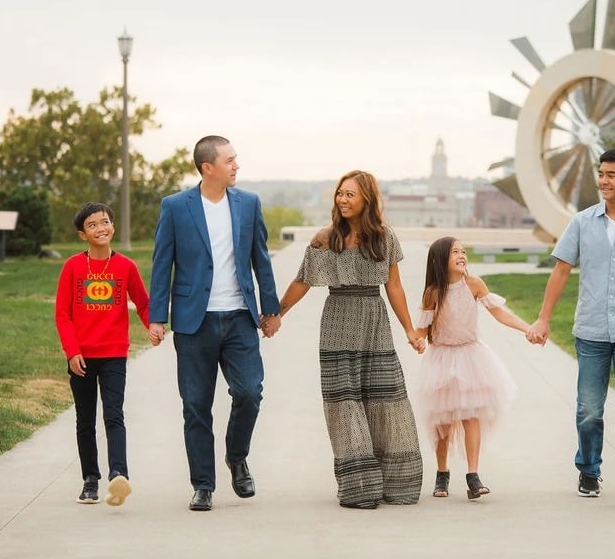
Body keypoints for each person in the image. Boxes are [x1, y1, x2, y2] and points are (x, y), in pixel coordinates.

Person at [526, 147, 615, 507]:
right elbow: (560, 270)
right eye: (600, 174)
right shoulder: (582, 222)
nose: (603, 181)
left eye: (611, 175)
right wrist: (543, 318)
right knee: (589, 408)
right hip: (590, 329)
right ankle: (589, 469)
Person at [148, 135, 281, 512]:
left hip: (239, 318)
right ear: (208, 167)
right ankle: (203, 484)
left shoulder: (249, 203)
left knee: (249, 393)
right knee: (195, 405)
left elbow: (261, 260)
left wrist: (270, 311)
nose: (237, 166)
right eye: (230, 160)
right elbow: (162, 264)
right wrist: (157, 317)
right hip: (194, 322)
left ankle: (236, 457)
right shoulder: (175, 207)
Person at [276, 170, 424, 509]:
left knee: (384, 400)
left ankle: (395, 482)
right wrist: (277, 313)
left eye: (350, 195)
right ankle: (359, 487)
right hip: (337, 322)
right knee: (345, 405)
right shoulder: (325, 238)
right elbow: (303, 280)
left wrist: (410, 330)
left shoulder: (385, 238)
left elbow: (394, 287)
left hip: (375, 321)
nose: (342, 200)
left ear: (366, 200)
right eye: (340, 194)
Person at [415, 237, 531, 500]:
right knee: (442, 421)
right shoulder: (433, 292)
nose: (461, 255)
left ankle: (473, 475)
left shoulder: (474, 284)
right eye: (454, 251)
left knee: (471, 416)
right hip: (442, 359)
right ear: (440, 259)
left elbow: (500, 313)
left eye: (463, 251)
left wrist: (527, 328)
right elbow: (422, 328)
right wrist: (417, 339)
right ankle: (442, 474)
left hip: (471, 357)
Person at [55, 202, 151, 506]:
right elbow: (62, 314)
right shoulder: (72, 267)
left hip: (113, 354)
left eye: (105, 222)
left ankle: (118, 476)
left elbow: (144, 303)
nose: (101, 228)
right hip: (81, 357)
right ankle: (90, 480)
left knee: (114, 414)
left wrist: (154, 327)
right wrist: (72, 352)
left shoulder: (125, 267)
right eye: (93, 225)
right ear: (83, 234)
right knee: (85, 419)